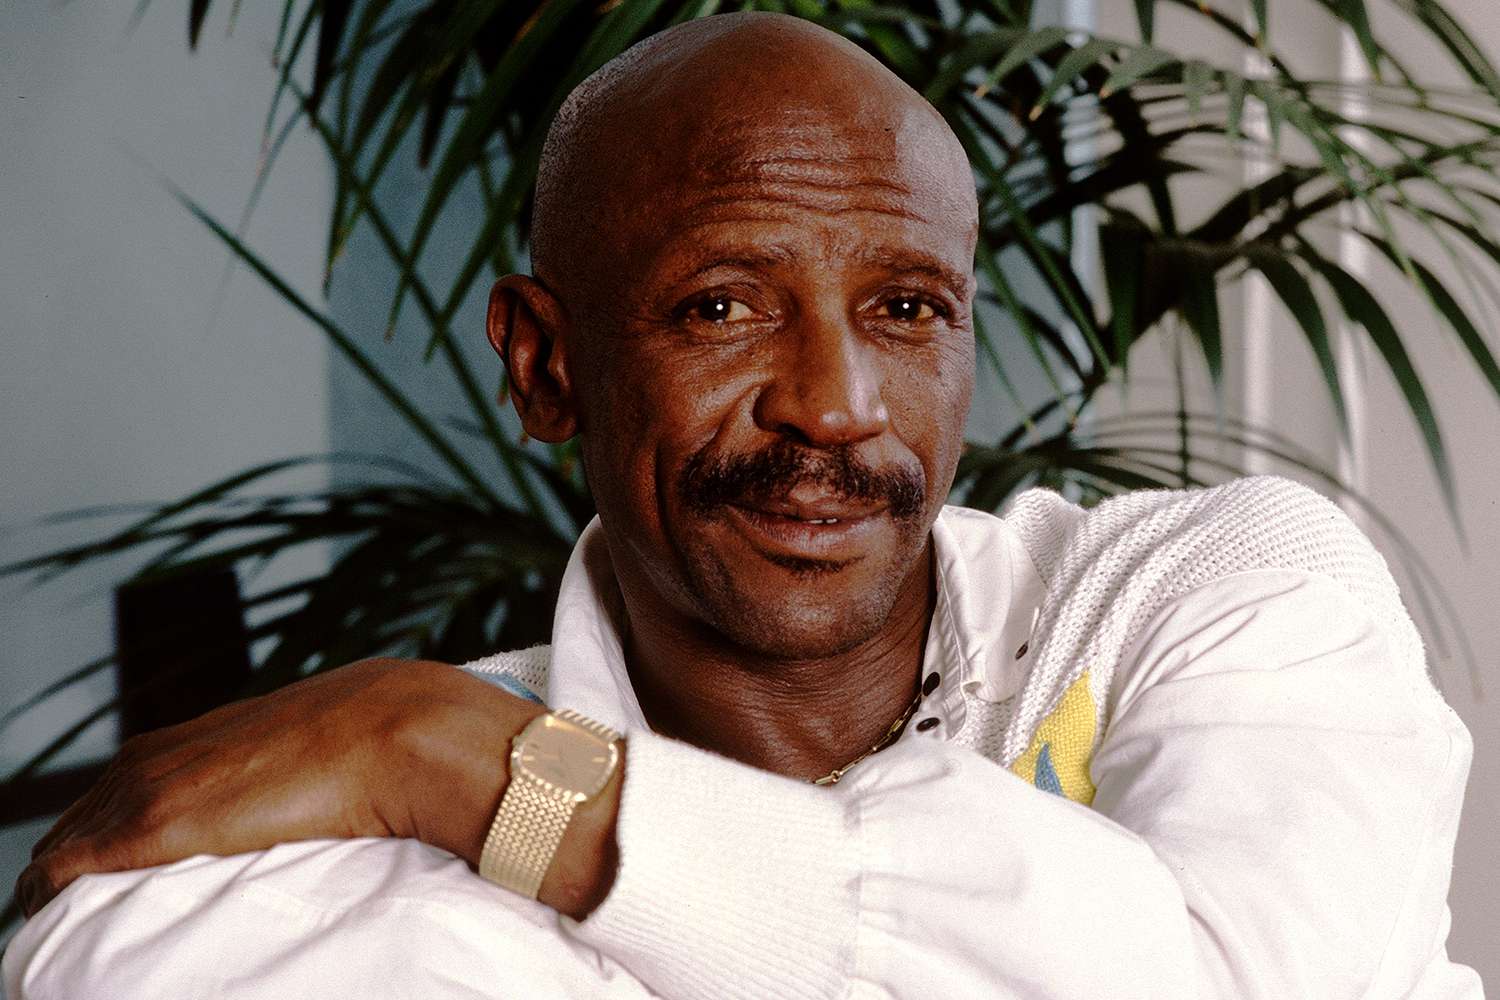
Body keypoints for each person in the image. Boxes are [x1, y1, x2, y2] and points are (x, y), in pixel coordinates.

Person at [4, 11, 1482, 999]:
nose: (834, 403)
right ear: (545, 365)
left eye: (905, 307)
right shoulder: (305, 846)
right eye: (723, 307)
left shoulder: (1219, 597)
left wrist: (469, 770)